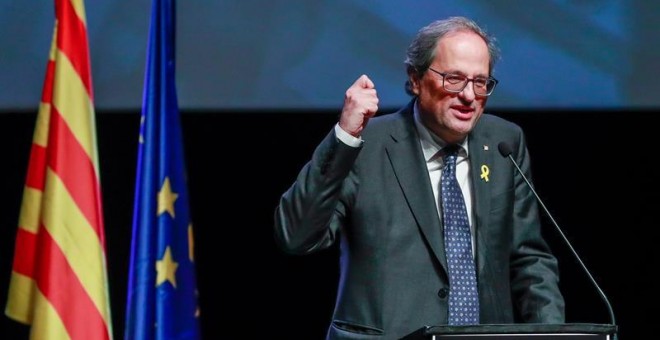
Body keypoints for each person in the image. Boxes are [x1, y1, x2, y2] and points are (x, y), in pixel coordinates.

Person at [274, 16, 565, 339]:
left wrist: (551, 333)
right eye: (454, 79)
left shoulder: (504, 142)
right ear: (415, 79)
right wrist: (344, 137)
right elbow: (297, 237)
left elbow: (529, 259)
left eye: (480, 82)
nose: (469, 96)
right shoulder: (367, 145)